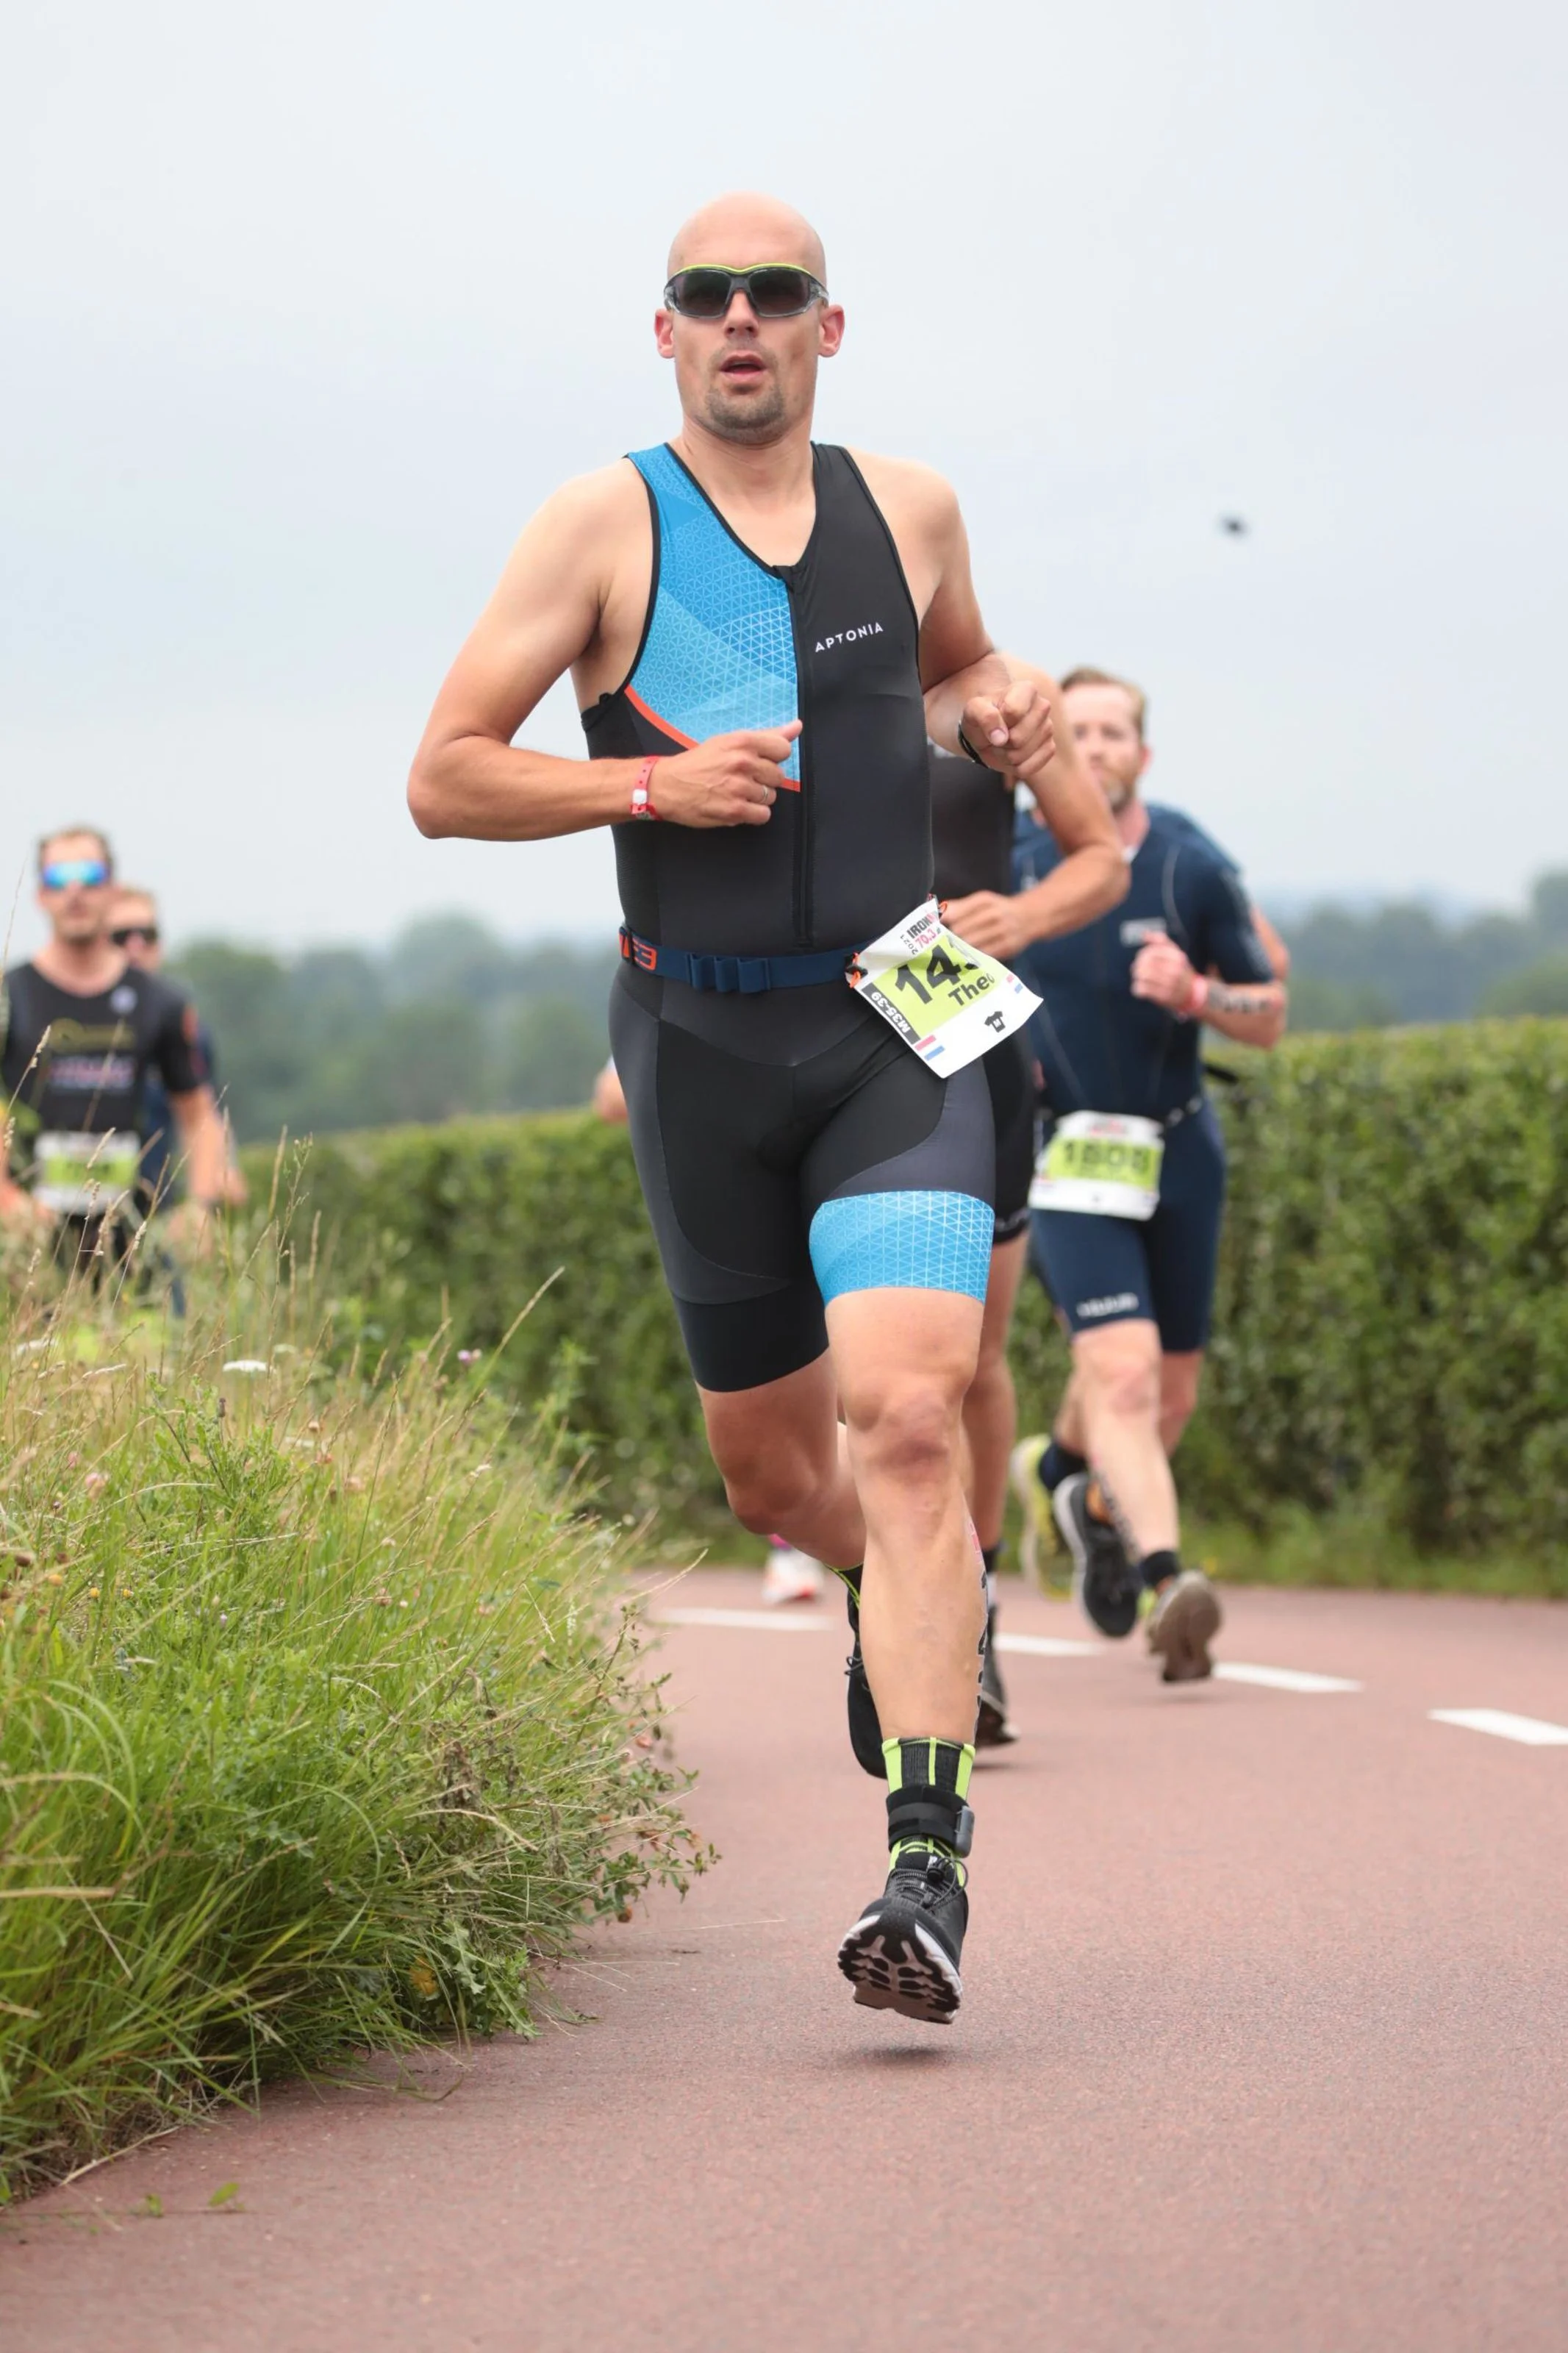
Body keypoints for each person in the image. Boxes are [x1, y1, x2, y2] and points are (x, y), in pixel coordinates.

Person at [409, 192, 1073, 2024]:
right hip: (693, 1045)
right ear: (664, 332)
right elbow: (443, 778)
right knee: (780, 1475)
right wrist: (645, 792)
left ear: (825, 329)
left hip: (897, 1019)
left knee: (914, 1415)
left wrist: (1001, 700)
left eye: (773, 295)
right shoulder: (600, 521)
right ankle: (892, 1590)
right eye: (705, 297)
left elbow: (951, 680)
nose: (740, 322)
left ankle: (921, 1868)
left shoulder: (909, 504)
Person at [1006, 668, 1287, 1682]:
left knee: (1163, 1404)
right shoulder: (1011, 859)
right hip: (1063, 1158)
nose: (1093, 746)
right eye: (1073, 730)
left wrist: (1201, 992)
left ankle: (1065, 1477)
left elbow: (1270, 1008)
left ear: (1142, 753)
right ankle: (1173, 1583)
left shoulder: (1187, 864)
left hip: (1177, 1146)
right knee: (1118, 1368)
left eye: (1112, 731)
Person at [1, 829, 228, 1271]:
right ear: (40, 895)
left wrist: (200, 1206)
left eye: (89, 875)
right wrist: (6, 1199)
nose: (75, 891)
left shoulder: (159, 1001)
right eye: (59, 877)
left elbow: (199, 1113)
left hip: (137, 1234)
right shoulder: (12, 995)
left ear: (110, 888)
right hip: (29, 1238)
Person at [108, 885, 246, 1213]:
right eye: (122, 936)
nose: (136, 946)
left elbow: (202, 1109)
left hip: (153, 1205)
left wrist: (224, 1168)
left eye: (148, 934)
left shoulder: (184, 1026)